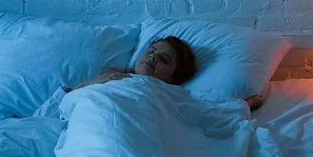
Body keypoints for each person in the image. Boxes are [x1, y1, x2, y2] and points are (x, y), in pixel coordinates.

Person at [38, 36, 264, 115]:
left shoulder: (170, 95)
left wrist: (248, 103)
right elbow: (46, 115)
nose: (153, 58)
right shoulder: (103, 81)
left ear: (173, 77)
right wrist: (91, 83)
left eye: (164, 60)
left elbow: (209, 113)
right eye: (152, 51)